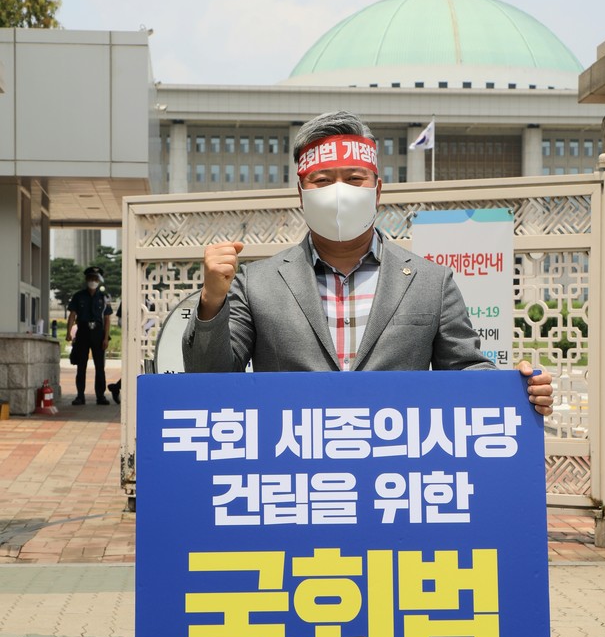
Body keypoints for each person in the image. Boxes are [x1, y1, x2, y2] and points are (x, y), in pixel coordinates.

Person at [182, 111, 553, 415]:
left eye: (354, 178)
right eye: (322, 180)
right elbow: (208, 380)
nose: (339, 192)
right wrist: (212, 299)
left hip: (396, 466)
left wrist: (517, 389)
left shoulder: (430, 281)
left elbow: (465, 370)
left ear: (377, 190)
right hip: (292, 461)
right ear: (301, 193)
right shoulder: (257, 282)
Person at [66, 266, 113, 405]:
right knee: (81, 365)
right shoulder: (78, 296)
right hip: (83, 332)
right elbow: (72, 315)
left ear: (99, 280)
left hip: (98, 333)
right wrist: (68, 332)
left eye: (95, 279)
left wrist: (106, 338)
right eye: (91, 278)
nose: (93, 281)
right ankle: (80, 396)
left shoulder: (104, 297)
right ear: (86, 279)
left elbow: (107, 319)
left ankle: (101, 396)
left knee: (100, 366)